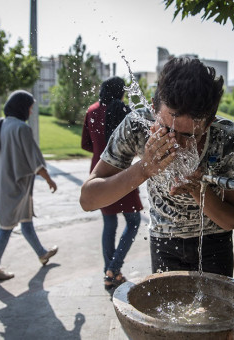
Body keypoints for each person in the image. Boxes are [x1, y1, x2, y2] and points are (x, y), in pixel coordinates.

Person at [80, 57, 234, 276]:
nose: (176, 143)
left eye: (189, 135)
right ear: (153, 109)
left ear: (209, 123)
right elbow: (88, 199)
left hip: (214, 243)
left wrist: (198, 190)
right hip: (164, 240)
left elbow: (230, 220)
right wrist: (144, 169)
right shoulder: (137, 126)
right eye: (165, 129)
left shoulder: (229, 139)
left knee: (216, 310)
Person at [0, 90, 58, 281]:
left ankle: (42, 253)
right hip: (16, 186)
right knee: (6, 226)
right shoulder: (21, 128)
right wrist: (49, 180)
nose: (31, 112)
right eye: (30, 108)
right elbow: (36, 162)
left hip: (5, 183)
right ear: (22, 108)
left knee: (26, 221)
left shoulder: (0, 124)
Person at [81, 77, 143, 290]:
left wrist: (101, 150)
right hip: (122, 174)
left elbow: (86, 144)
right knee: (133, 221)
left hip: (98, 174)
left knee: (110, 224)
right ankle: (113, 269)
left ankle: (110, 272)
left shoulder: (91, 111)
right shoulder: (124, 110)